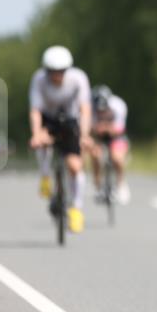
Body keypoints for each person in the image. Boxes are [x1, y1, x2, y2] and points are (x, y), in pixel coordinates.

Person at [28, 46, 93, 233]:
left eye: (61, 72)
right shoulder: (39, 80)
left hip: (70, 120)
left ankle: (76, 210)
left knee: (75, 166)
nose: (57, 76)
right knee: (42, 143)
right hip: (48, 119)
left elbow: (85, 109)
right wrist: (36, 134)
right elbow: (35, 110)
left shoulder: (78, 78)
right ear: (46, 71)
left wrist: (85, 135)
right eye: (53, 72)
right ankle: (45, 175)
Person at [90, 85, 131, 204]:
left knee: (117, 158)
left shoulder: (119, 105)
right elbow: (89, 127)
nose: (101, 112)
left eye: (103, 109)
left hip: (116, 136)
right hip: (98, 136)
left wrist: (107, 128)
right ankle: (97, 186)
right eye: (99, 110)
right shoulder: (90, 106)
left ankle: (121, 184)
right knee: (96, 156)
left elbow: (119, 128)